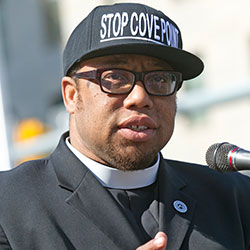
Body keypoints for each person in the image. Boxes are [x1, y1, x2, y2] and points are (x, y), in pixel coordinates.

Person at [0, 2, 250, 250]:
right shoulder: (8, 206)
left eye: (160, 78)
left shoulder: (234, 199)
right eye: (115, 78)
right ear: (71, 95)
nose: (139, 97)